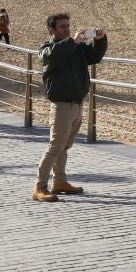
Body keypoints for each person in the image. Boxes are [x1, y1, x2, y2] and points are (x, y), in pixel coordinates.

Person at [33, 14, 108, 202]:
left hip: (77, 103)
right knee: (55, 147)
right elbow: (50, 56)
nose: (67, 29)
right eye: (62, 27)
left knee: (64, 147)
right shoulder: (47, 48)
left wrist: (100, 40)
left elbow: (95, 56)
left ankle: (59, 181)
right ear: (52, 30)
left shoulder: (77, 47)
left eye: (68, 26)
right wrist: (72, 42)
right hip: (61, 106)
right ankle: (39, 187)